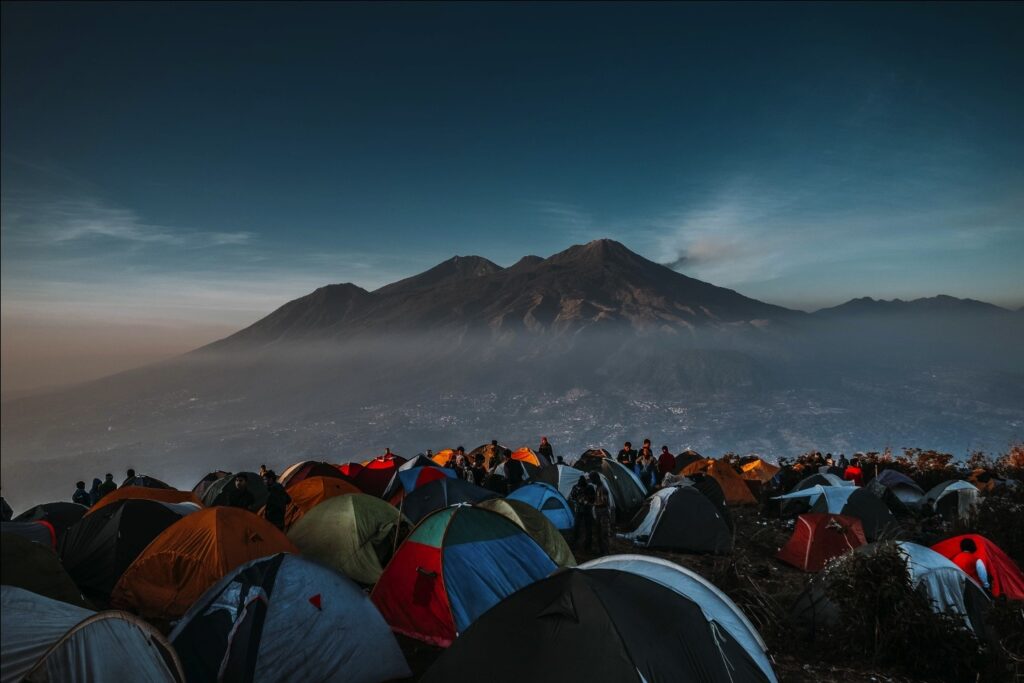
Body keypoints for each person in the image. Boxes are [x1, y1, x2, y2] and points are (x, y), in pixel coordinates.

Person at [569, 474, 595, 552]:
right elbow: (572, 497)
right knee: (578, 527)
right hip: (580, 510)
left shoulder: (589, 488)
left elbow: (593, 498)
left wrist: (586, 501)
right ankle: (576, 544)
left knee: (587, 528)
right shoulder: (576, 487)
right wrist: (579, 500)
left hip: (586, 510)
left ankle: (587, 546)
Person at [590, 471, 611, 555]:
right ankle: (601, 551)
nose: (591, 481)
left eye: (592, 479)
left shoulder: (603, 489)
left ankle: (606, 552)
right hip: (599, 512)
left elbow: (604, 502)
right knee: (599, 532)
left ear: (596, 478)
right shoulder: (598, 488)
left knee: (604, 533)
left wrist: (593, 504)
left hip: (603, 513)